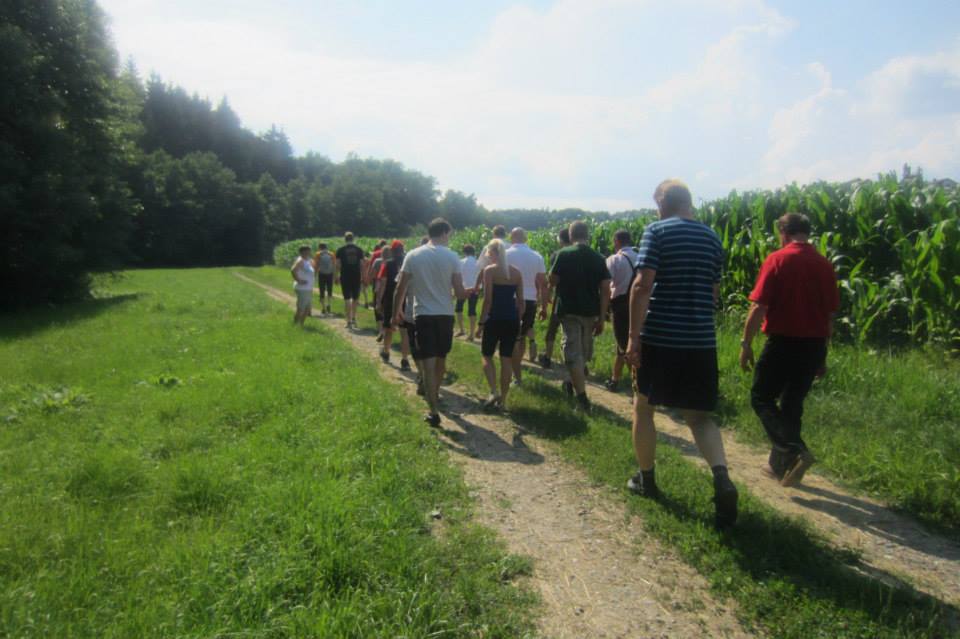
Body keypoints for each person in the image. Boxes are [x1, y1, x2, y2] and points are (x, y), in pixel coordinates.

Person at [625, 179, 738, 530]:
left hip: (661, 337)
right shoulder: (712, 237)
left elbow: (643, 284)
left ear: (662, 201)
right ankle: (722, 478)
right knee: (699, 417)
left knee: (644, 407)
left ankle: (646, 479)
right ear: (688, 202)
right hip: (700, 341)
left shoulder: (656, 231)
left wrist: (633, 337)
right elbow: (714, 292)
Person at [740, 212, 839, 487]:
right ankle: (779, 465)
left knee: (761, 397)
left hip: (783, 342)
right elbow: (829, 316)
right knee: (792, 403)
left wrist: (746, 344)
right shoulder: (824, 264)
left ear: (783, 232)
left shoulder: (778, 259)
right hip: (814, 344)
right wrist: (823, 355)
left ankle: (794, 449)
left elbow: (759, 306)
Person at [393, 218, 470, 428]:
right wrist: (470, 292)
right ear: (444, 232)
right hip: (445, 315)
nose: (450, 238)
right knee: (441, 359)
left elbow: (400, 288)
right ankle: (434, 394)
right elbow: (459, 292)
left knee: (428, 363)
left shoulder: (413, 255)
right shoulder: (452, 256)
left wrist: (396, 312)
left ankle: (433, 410)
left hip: (423, 315)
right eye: (449, 234)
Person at [549, 220, 611, 412]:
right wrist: (602, 317)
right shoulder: (599, 258)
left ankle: (581, 397)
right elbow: (605, 289)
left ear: (571, 235)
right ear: (587, 235)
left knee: (573, 353)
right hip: (590, 312)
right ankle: (574, 385)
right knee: (581, 352)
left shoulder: (563, 254)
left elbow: (552, 280)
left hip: (569, 310)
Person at [477, 239, 524, 411]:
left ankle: (494, 390)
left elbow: (488, 300)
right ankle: (503, 400)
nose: (488, 257)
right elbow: (521, 301)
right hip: (511, 319)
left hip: (494, 318)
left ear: (493, 253)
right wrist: (518, 320)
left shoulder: (489, 271)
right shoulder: (516, 272)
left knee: (486, 355)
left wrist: (481, 322)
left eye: (489, 254)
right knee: (506, 359)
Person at [506, 228, 547, 383]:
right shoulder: (537, 256)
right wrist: (544, 307)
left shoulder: (506, 255)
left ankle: (513, 369)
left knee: (509, 336)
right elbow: (543, 284)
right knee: (522, 335)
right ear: (526, 238)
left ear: (512, 238)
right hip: (530, 300)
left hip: (510, 298)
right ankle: (519, 364)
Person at [604, 230, 640, 391]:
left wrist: (603, 309)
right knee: (625, 345)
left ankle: (639, 387)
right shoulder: (640, 257)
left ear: (617, 241)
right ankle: (615, 379)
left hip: (620, 307)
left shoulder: (614, 259)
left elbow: (605, 284)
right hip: (640, 305)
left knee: (625, 346)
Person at [538, 228, 571, 369]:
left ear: (561, 239)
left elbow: (552, 279)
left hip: (561, 297)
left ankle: (547, 357)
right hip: (580, 299)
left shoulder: (557, 255)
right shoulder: (583, 254)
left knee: (552, 328)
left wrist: (546, 300)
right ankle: (578, 362)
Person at [377, 241, 412, 370]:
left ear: (392, 251)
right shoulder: (408, 262)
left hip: (390, 299)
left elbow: (383, 283)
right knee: (404, 331)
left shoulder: (387, 264)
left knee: (389, 328)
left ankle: (386, 352)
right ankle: (405, 360)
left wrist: (379, 301)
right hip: (406, 299)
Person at [335, 232, 366, 329]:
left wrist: (336, 276)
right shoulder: (359, 250)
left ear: (345, 239)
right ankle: (353, 318)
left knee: (347, 298)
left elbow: (337, 264)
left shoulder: (340, 250)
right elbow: (362, 265)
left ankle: (348, 321)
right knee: (355, 298)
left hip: (345, 276)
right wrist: (363, 277)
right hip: (356, 276)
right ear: (353, 239)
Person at [456, 244, 481, 340]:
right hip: (475, 288)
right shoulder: (478, 262)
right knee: (472, 310)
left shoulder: (461, 262)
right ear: (473, 252)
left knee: (458, 308)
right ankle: (471, 334)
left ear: (464, 252)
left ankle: (462, 330)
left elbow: (458, 275)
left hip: (463, 288)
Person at [290, 245, 315, 326]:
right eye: (307, 251)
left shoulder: (308, 260)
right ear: (302, 252)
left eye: (309, 250)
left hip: (308, 288)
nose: (309, 252)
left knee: (307, 308)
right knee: (301, 308)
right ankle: (295, 324)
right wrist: (299, 280)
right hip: (302, 288)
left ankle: (301, 324)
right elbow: (293, 270)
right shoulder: (300, 260)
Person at [313, 242, 336, 315]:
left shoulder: (318, 254)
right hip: (330, 274)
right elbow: (334, 265)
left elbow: (316, 265)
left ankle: (323, 308)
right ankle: (329, 305)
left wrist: (315, 275)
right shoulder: (332, 254)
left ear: (320, 247)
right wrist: (335, 275)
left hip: (321, 274)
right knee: (330, 290)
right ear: (326, 247)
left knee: (322, 290)